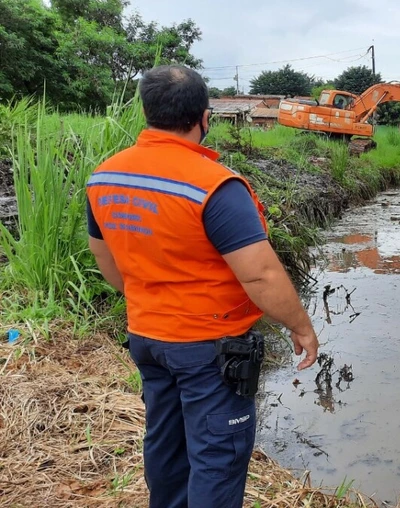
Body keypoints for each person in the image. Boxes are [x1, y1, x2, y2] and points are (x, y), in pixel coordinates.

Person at [85, 64, 320, 508]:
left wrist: (148, 300)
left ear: (147, 111)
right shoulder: (213, 185)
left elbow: (107, 260)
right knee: (217, 455)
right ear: (205, 118)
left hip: (147, 337)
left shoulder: (106, 177)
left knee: (166, 443)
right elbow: (261, 274)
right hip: (208, 347)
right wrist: (301, 326)